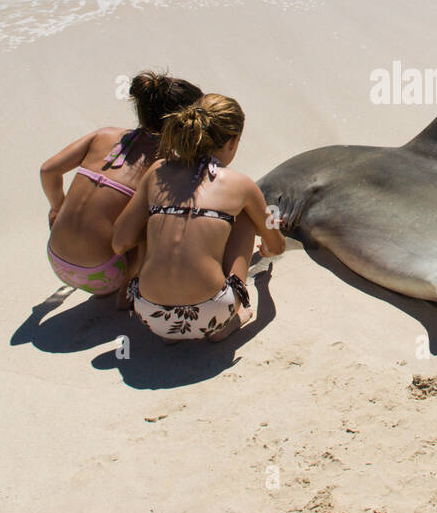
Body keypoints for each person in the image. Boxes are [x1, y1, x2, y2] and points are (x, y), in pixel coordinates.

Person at [112, 93, 285, 342]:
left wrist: (158, 226)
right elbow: (277, 246)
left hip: (149, 314)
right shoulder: (241, 185)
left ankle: (172, 332)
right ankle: (231, 318)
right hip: (213, 312)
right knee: (245, 217)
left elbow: (120, 242)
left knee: (158, 218)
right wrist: (267, 249)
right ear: (233, 141)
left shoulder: (157, 171)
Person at [40, 71, 203, 296]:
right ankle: (128, 287)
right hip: (105, 274)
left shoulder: (103, 135)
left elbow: (48, 170)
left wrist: (57, 207)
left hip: (56, 259)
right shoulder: (166, 164)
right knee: (157, 219)